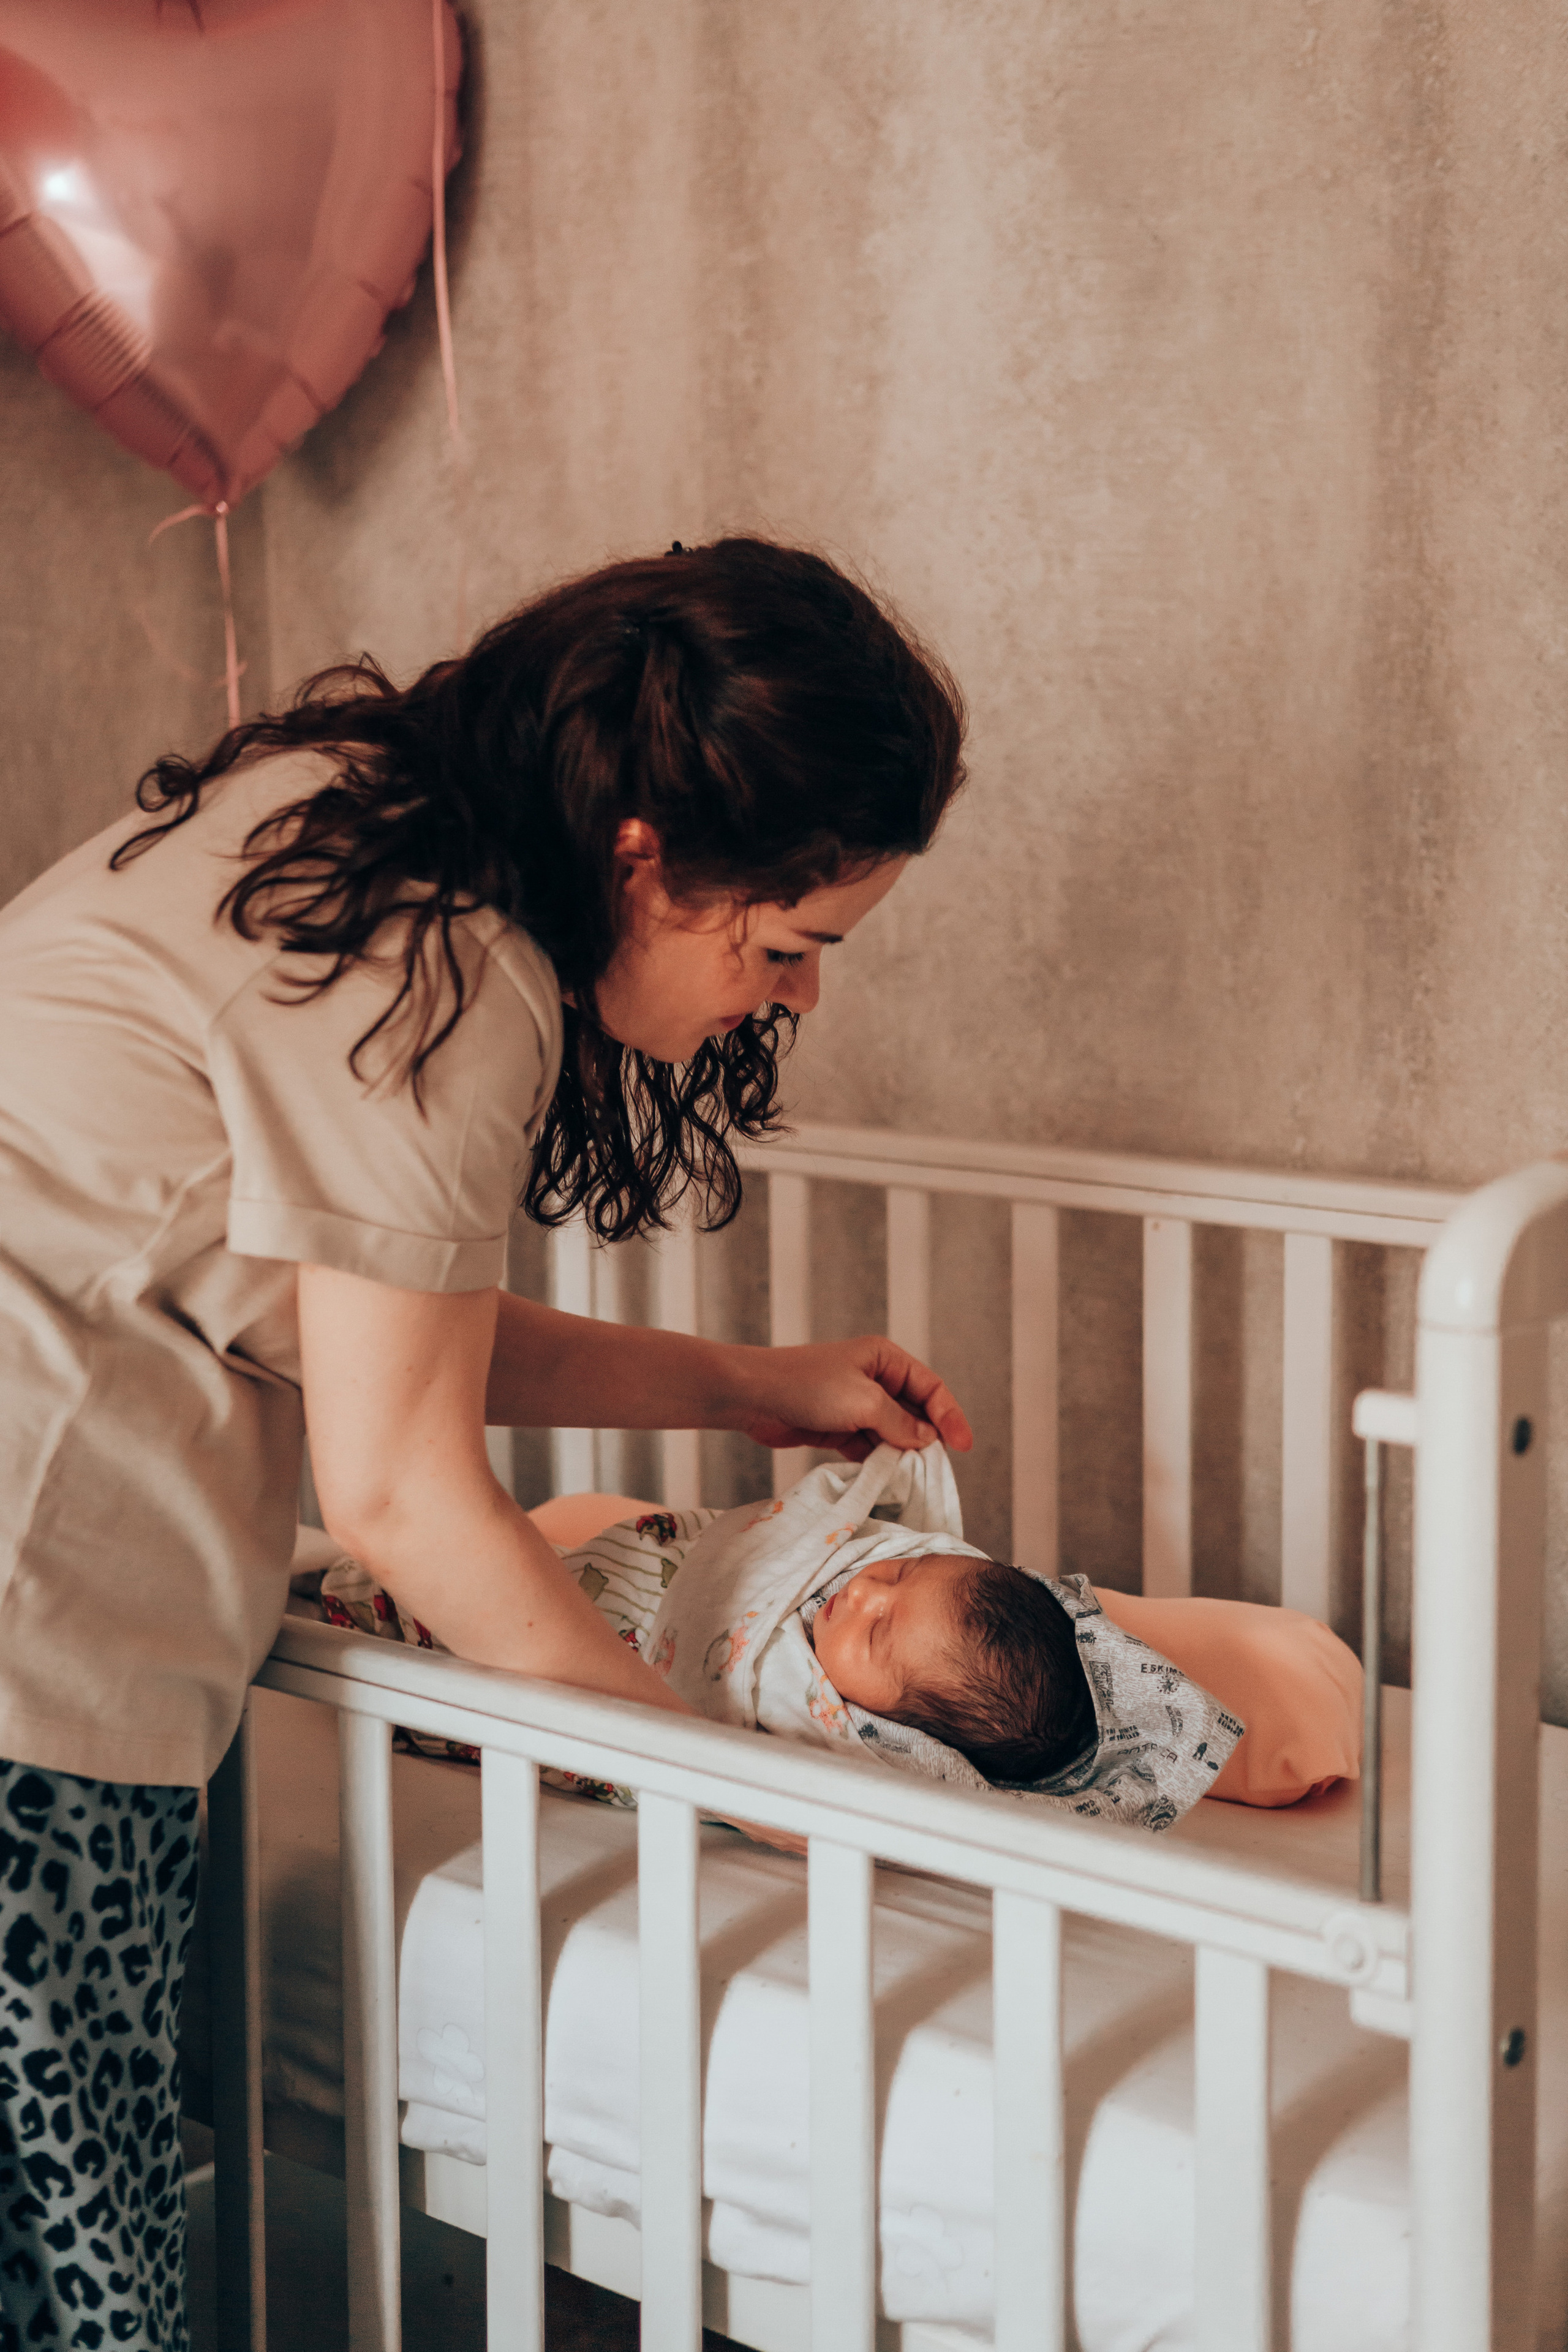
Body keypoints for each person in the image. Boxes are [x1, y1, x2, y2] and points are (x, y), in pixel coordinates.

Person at [0, 538, 970, 2352]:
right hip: (23, 1638)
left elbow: (380, 1333)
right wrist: (709, 1778)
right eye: (789, 946)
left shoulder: (338, 832)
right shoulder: (446, 970)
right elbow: (400, 1489)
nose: (800, 999)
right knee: (73, 2283)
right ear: (645, 858)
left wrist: (745, 1386)